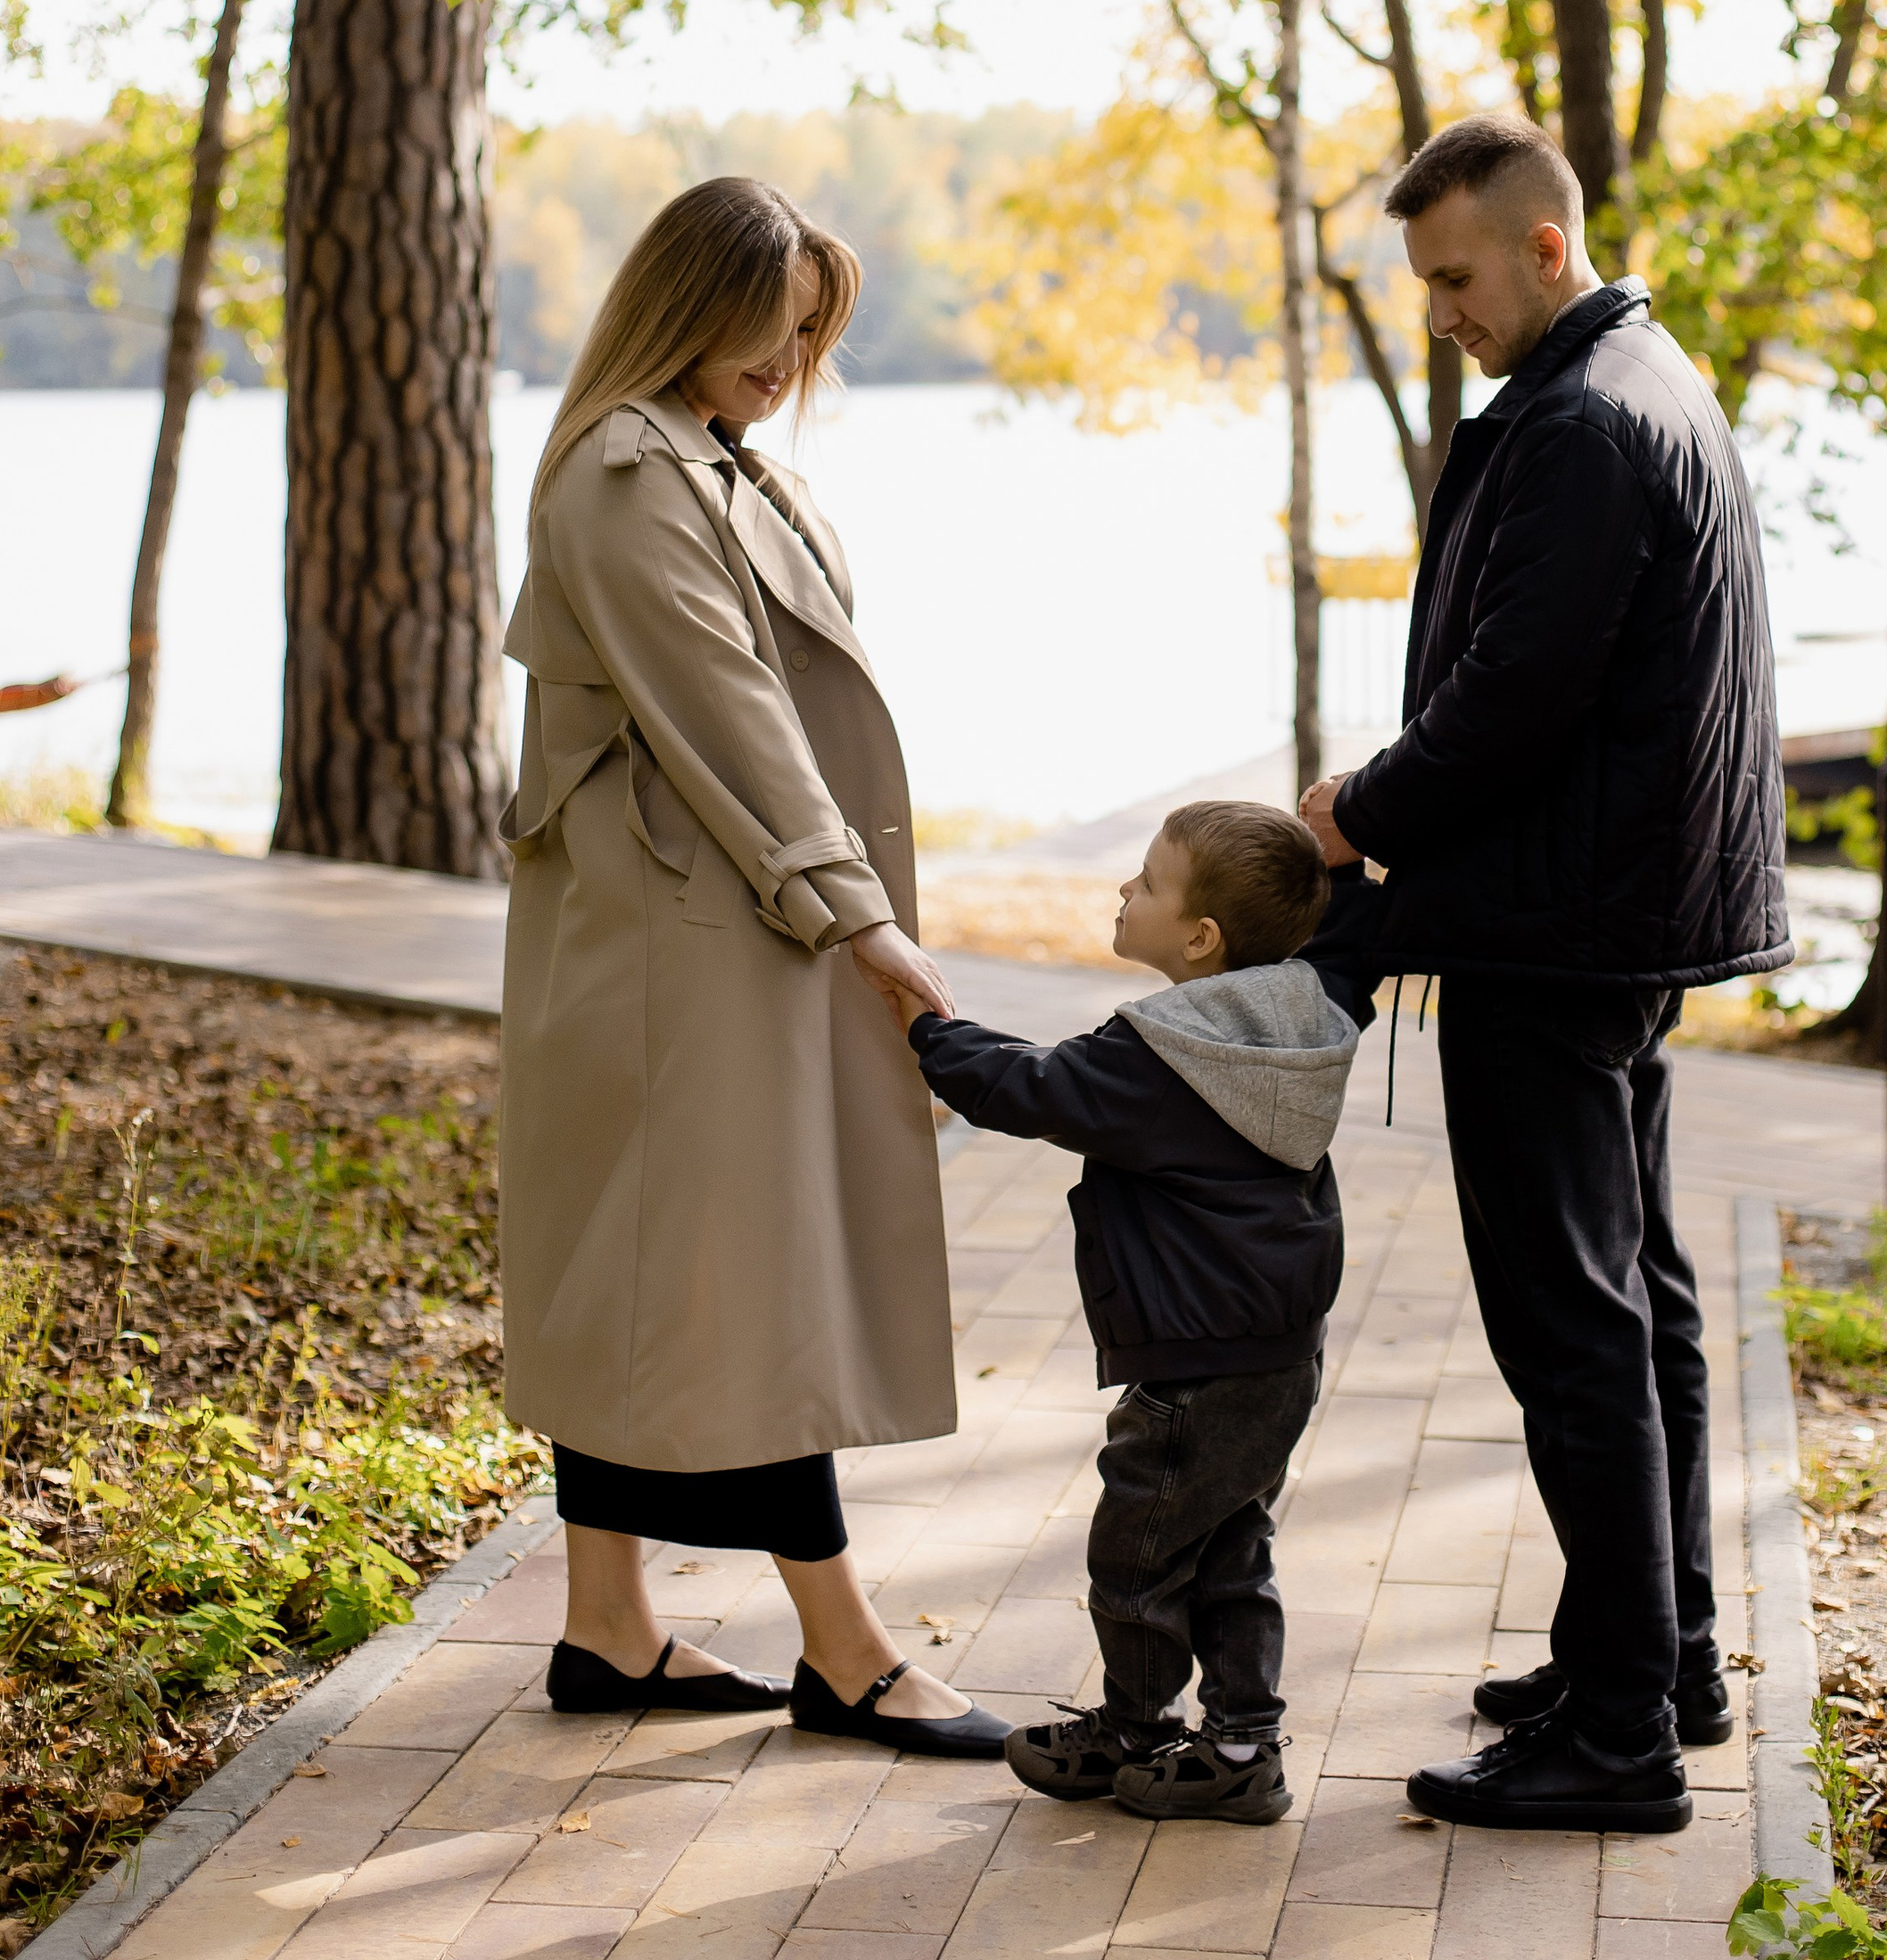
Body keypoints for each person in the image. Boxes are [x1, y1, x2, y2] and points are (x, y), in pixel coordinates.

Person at [1299, 114, 1790, 1837]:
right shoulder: (1651, 373)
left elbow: (1517, 696)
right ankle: (1658, 1657)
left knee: (1571, 1318)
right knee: (1638, 1294)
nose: (1438, 306)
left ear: (1543, 248)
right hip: (1613, 920)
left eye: (1453, 274)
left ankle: (1620, 1735)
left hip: (1554, 928)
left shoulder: (1584, 419)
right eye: (1422, 279)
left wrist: (1360, 806)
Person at [499, 175, 1009, 1758]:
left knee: (651, 1285)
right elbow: (731, 717)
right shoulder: (627, 475)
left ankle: (607, 1626)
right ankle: (845, 1650)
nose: (787, 363)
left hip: (701, 937)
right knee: (742, 1295)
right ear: (684, 303)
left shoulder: (712, 467)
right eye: (766, 328)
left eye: (805, 335)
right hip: (689, 945)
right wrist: (859, 914)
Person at [878, 803, 1357, 1826]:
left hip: (1194, 1360)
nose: (1122, 892)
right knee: (1228, 1543)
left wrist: (929, 1032)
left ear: (1199, 939)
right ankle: (1238, 1746)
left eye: (1145, 882)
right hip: (1274, 1349)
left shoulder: (1165, 1059)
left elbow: (1037, 1089)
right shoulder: (1295, 1023)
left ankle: (1133, 1730)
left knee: (1137, 1551)